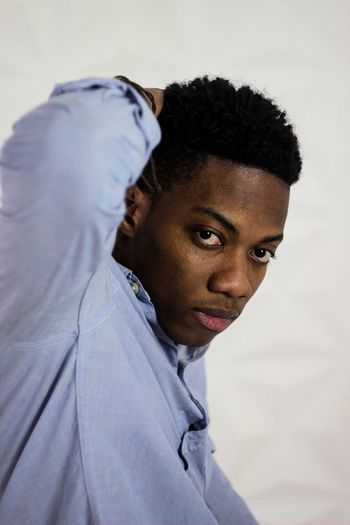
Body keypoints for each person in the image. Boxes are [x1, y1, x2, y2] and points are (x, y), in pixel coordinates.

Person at [0, 74, 301, 525]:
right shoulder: (58, 304)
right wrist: (144, 101)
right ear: (130, 208)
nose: (237, 284)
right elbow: (66, 157)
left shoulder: (176, 339)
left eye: (261, 252)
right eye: (209, 236)